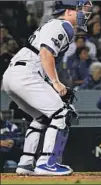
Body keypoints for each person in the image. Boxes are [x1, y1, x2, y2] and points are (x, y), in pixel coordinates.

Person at [2, 0, 92, 176]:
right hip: (27, 73)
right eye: (80, 10)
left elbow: (42, 57)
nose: (84, 14)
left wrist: (53, 83)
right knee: (62, 113)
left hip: (14, 74)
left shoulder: (52, 25)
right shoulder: (64, 25)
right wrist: (56, 83)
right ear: (68, 11)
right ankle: (47, 163)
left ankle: (26, 163)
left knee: (43, 117)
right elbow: (45, 53)